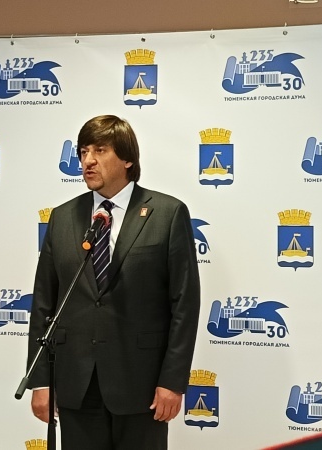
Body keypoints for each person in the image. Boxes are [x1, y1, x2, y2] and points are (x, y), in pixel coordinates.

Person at [27, 114, 201, 450]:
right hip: (76, 384)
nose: (87, 161)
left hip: (142, 385)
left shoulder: (167, 213)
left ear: (127, 159)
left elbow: (184, 303)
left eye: (100, 150)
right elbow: (44, 303)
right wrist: (41, 382)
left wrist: (173, 381)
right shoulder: (63, 217)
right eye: (83, 152)